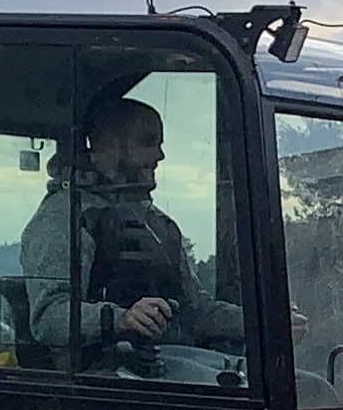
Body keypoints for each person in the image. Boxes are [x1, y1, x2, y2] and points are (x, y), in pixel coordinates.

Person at [15, 93, 242, 362]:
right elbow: (49, 317)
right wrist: (121, 319)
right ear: (108, 146)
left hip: (169, 370)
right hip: (102, 385)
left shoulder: (159, 224)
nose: (160, 155)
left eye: (159, 144)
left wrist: (264, 322)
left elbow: (195, 311)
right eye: (148, 142)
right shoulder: (66, 216)